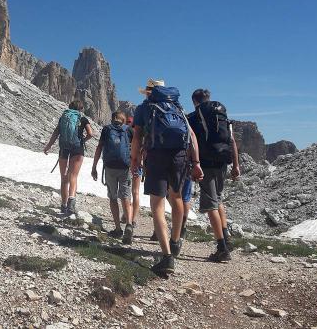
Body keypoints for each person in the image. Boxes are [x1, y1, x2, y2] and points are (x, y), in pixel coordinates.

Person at [131, 79, 203, 277]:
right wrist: (196, 163)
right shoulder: (176, 106)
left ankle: (167, 257)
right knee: (177, 197)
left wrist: (134, 160)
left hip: (156, 156)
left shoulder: (144, 108)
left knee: (157, 204)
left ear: (148, 92)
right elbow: (192, 136)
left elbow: (137, 136)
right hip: (179, 156)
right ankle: (175, 240)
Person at [187, 88, 241, 262]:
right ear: (208, 98)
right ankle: (226, 238)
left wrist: (193, 164)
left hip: (206, 164)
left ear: (195, 101)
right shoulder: (221, 115)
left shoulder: (194, 117)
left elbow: (191, 141)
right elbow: (232, 141)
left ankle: (222, 248)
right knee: (218, 200)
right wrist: (236, 165)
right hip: (223, 161)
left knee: (210, 205)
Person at [44, 99, 94, 215]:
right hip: (77, 149)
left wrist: (48, 146)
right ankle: (72, 199)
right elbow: (91, 134)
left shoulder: (64, 117)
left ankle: (63, 205)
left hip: (64, 148)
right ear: (81, 109)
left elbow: (56, 133)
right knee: (74, 176)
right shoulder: (82, 118)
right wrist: (83, 141)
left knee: (64, 178)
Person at [91, 111, 134, 244]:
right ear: (123, 119)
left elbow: (99, 148)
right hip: (125, 167)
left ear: (112, 119)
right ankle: (129, 225)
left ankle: (117, 228)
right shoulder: (129, 130)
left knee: (113, 197)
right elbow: (136, 147)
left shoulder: (106, 129)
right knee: (126, 196)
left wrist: (94, 167)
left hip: (109, 167)